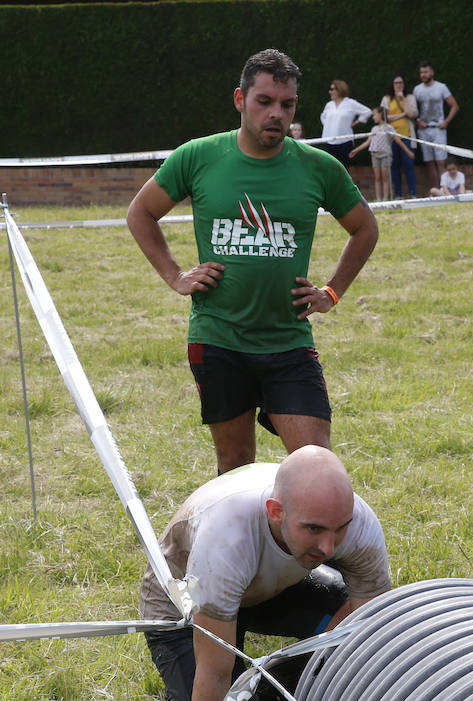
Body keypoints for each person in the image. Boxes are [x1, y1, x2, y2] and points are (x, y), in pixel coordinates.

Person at [127, 50, 378, 475]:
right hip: (218, 338)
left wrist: (331, 292)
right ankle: (241, 543)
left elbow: (365, 229)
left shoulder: (318, 167)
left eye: (288, 104)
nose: (277, 113)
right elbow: (141, 213)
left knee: (316, 465)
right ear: (240, 99)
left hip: (289, 342)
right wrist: (175, 276)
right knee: (236, 464)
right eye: (265, 101)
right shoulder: (198, 156)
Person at [140, 445, 392, 701]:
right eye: (314, 529)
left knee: (350, 615)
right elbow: (214, 673)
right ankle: (209, 685)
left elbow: (370, 629)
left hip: (264, 588)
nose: (329, 545)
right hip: (183, 605)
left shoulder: (358, 525)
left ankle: (277, 677)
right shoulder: (227, 541)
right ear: (276, 513)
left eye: (340, 529)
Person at [349, 107, 415, 202]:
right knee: (377, 177)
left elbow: (398, 140)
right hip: (375, 154)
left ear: (380, 114)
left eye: (375, 114)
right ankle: (379, 199)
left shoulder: (389, 128)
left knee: (385, 177)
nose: (373, 117)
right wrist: (356, 150)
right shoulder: (374, 128)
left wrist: (408, 151)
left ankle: (385, 199)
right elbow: (368, 142)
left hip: (385, 155)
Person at [413, 60, 459, 192]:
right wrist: (417, 121)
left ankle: (445, 190)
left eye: (426, 72)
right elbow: (413, 110)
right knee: (429, 162)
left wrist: (447, 121)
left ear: (432, 72)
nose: (423, 75)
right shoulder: (417, 89)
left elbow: (454, 106)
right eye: (421, 72)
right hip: (424, 131)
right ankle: (435, 191)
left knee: (440, 161)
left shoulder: (441, 87)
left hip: (438, 130)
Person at [320, 79, 372, 170]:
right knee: (330, 168)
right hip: (329, 140)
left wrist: (357, 121)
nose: (330, 92)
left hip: (344, 141)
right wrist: (329, 126)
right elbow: (323, 116)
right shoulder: (329, 105)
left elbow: (367, 112)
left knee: (343, 169)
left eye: (332, 89)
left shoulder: (350, 103)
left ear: (339, 90)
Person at [380, 74, 418, 199]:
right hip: (391, 137)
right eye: (396, 83)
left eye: (401, 82)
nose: (399, 85)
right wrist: (402, 115)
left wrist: (404, 100)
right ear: (392, 85)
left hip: (406, 136)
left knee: (409, 164)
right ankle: (397, 194)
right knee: (394, 166)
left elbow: (412, 114)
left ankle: (413, 193)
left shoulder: (410, 97)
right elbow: (385, 117)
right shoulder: (387, 99)